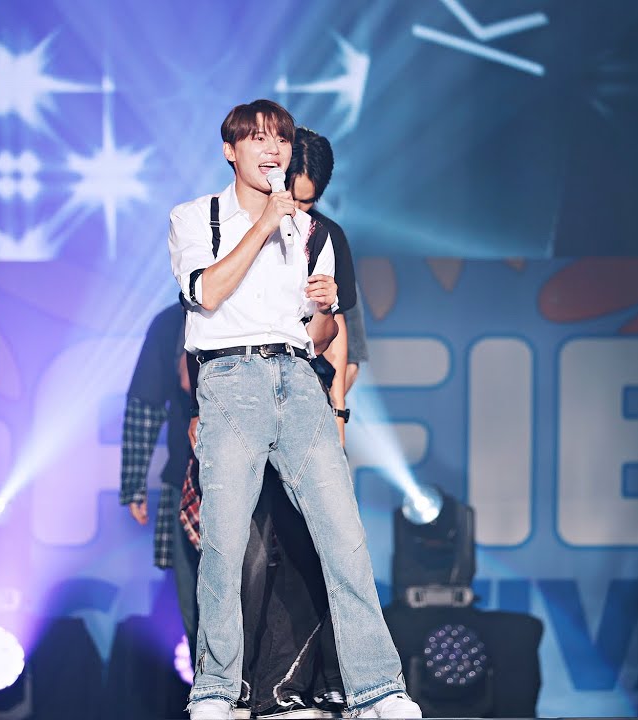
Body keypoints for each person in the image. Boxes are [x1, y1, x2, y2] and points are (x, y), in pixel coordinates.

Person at [168, 99, 419, 720]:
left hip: (299, 380)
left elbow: (319, 335)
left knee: (345, 538)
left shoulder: (312, 232)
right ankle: (215, 691)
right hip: (231, 378)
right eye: (257, 139)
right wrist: (263, 225)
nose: (272, 148)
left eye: (280, 138)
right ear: (231, 151)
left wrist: (327, 308)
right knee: (227, 545)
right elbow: (204, 293)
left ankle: (377, 688)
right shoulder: (196, 217)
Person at [118, 302, 201, 659]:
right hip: (187, 479)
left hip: (258, 481)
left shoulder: (264, 311)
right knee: (195, 609)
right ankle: (211, 687)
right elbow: (145, 402)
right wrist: (134, 482)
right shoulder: (172, 322)